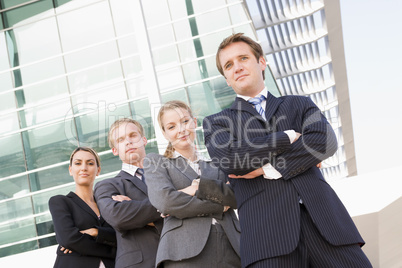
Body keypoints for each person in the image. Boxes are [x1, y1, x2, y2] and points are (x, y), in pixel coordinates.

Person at [202, 33, 372, 267]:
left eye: (243, 58)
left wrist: (268, 168)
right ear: (227, 79)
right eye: (229, 65)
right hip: (268, 241)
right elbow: (231, 159)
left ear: (261, 62)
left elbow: (324, 141)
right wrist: (288, 137)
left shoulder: (299, 104)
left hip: (327, 228)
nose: (237, 67)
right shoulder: (217, 122)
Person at [143, 100, 241, 267]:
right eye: (172, 127)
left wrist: (195, 188)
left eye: (185, 121)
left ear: (194, 122)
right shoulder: (156, 161)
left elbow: (235, 195)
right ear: (165, 133)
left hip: (231, 247)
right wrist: (218, 206)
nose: (181, 130)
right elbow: (166, 201)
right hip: (184, 252)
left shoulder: (217, 160)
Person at [94, 118, 163, 268]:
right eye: (120, 139)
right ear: (115, 150)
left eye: (133, 135)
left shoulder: (168, 173)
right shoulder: (107, 186)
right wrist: (171, 204)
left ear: (143, 140)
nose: (128, 142)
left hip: (183, 258)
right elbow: (119, 217)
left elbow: (190, 205)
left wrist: (134, 208)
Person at [48, 147, 116, 268]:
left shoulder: (108, 203)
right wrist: (112, 250)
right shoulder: (60, 202)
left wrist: (95, 232)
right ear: (70, 170)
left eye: (90, 163)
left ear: (98, 170)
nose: (84, 168)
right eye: (78, 163)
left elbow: (120, 237)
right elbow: (68, 239)